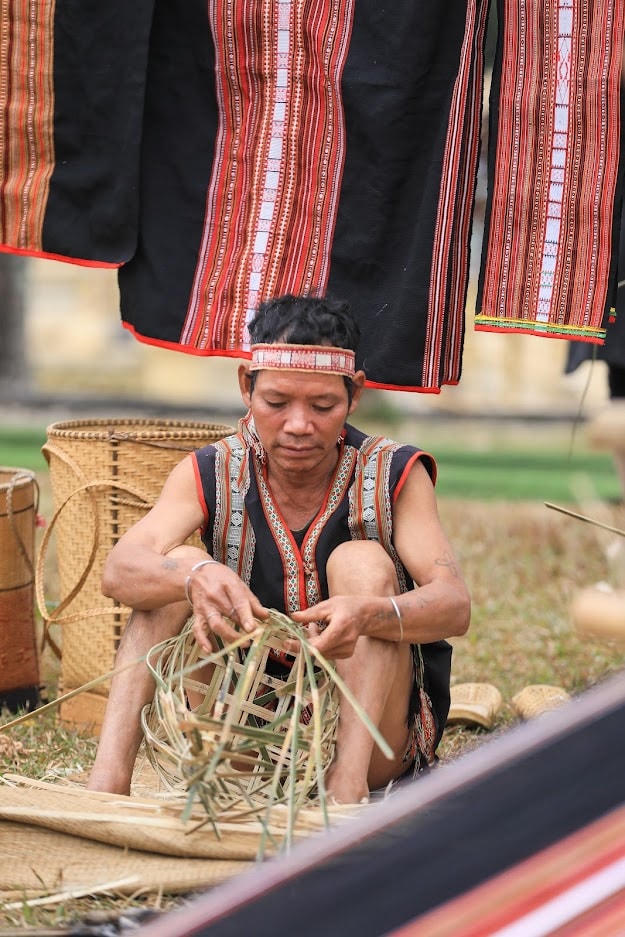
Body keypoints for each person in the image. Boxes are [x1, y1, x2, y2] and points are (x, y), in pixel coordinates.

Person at [87, 295, 470, 803]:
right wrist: (193, 576)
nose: (297, 425)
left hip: (374, 744)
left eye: (322, 406)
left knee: (363, 564)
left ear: (354, 395)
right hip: (238, 741)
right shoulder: (211, 468)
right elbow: (120, 570)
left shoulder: (396, 472)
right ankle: (108, 784)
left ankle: (344, 794)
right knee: (177, 563)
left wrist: (371, 613)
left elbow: (454, 605)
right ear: (246, 386)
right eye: (276, 402)